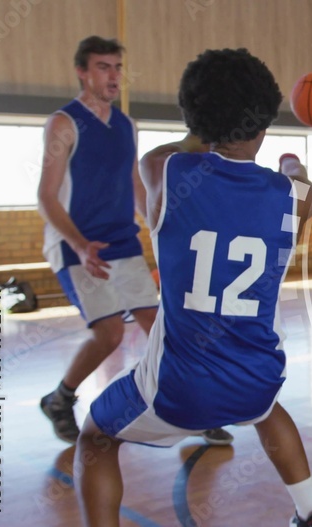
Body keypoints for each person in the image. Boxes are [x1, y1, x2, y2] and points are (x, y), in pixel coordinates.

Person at [73, 48, 312, 527]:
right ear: (263, 125)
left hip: (179, 389)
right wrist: (293, 165)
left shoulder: (168, 174)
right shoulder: (291, 197)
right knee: (266, 408)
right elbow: (308, 190)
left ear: (196, 121)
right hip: (258, 375)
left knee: (94, 437)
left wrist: (205, 128)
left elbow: (160, 154)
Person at [36, 35, 231, 446]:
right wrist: (79, 245)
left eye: (117, 67)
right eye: (103, 67)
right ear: (83, 72)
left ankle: (192, 408)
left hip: (122, 242)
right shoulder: (64, 123)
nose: (113, 76)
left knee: (163, 326)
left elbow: (132, 184)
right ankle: (60, 399)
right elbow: (47, 196)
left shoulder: (125, 124)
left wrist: (160, 226)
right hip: (78, 247)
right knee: (109, 334)